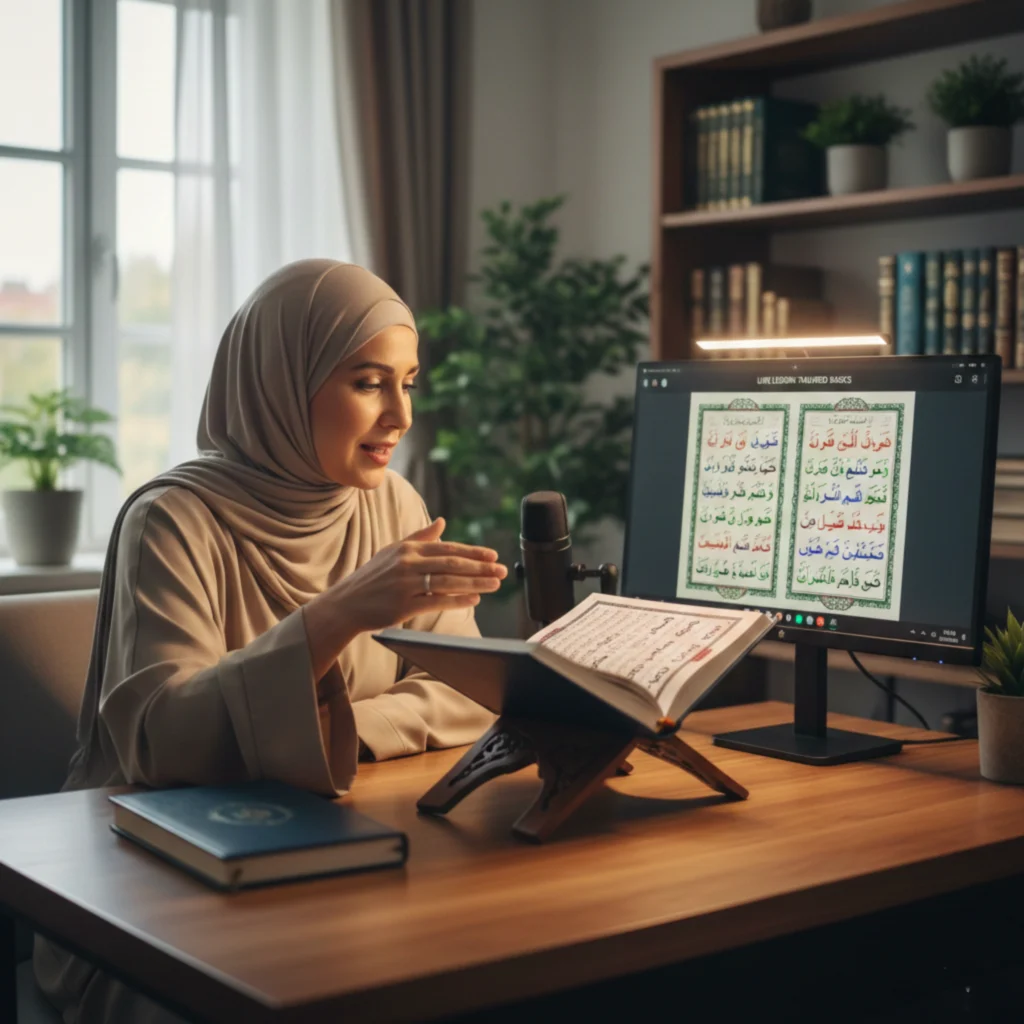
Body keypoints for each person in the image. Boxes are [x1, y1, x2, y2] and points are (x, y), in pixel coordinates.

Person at [34, 259, 507, 1023]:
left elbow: (467, 696)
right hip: (155, 891)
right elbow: (164, 743)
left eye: (408, 381)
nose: (401, 416)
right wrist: (333, 617)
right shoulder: (173, 521)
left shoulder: (392, 503)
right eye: (367, 382)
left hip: (342, 856)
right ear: (280, 384)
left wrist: (328, 729)